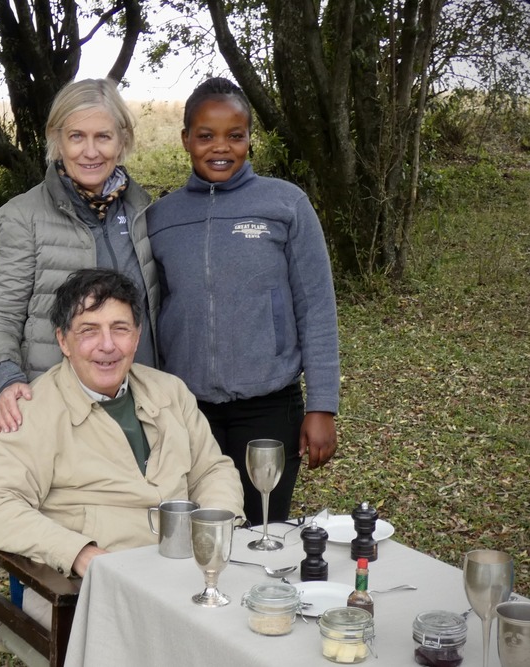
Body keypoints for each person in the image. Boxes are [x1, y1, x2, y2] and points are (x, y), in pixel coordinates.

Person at [146, 77, 339, 524]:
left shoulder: (285, 204)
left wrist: (322, 406)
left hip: (269, 406)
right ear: (185, 139)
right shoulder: (160, 218)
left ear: (250, 138)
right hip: (186, 409)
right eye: (206, 135)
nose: (221, 147)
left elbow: (317, 309)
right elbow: (148, 314)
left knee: (261, 533)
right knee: (195, 533)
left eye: (235, 135)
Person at [0, 268, 243, 577]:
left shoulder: (170, 392)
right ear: (63, 340)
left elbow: (212, 470)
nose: (107, 345)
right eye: (89, 331)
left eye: (120, 328)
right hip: (86, 590)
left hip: (186, 571)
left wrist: (215, 530)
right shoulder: (32, 411)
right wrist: (80, 554)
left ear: (136, 337)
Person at [0, 78, 160, 434]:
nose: (90, 152)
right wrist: (7, 378)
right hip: (60, 409)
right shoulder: (22, 217)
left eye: (103, 137)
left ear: (122, 141)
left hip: (141, 403)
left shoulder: (144, 210)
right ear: (57, 140)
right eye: (77, 136)